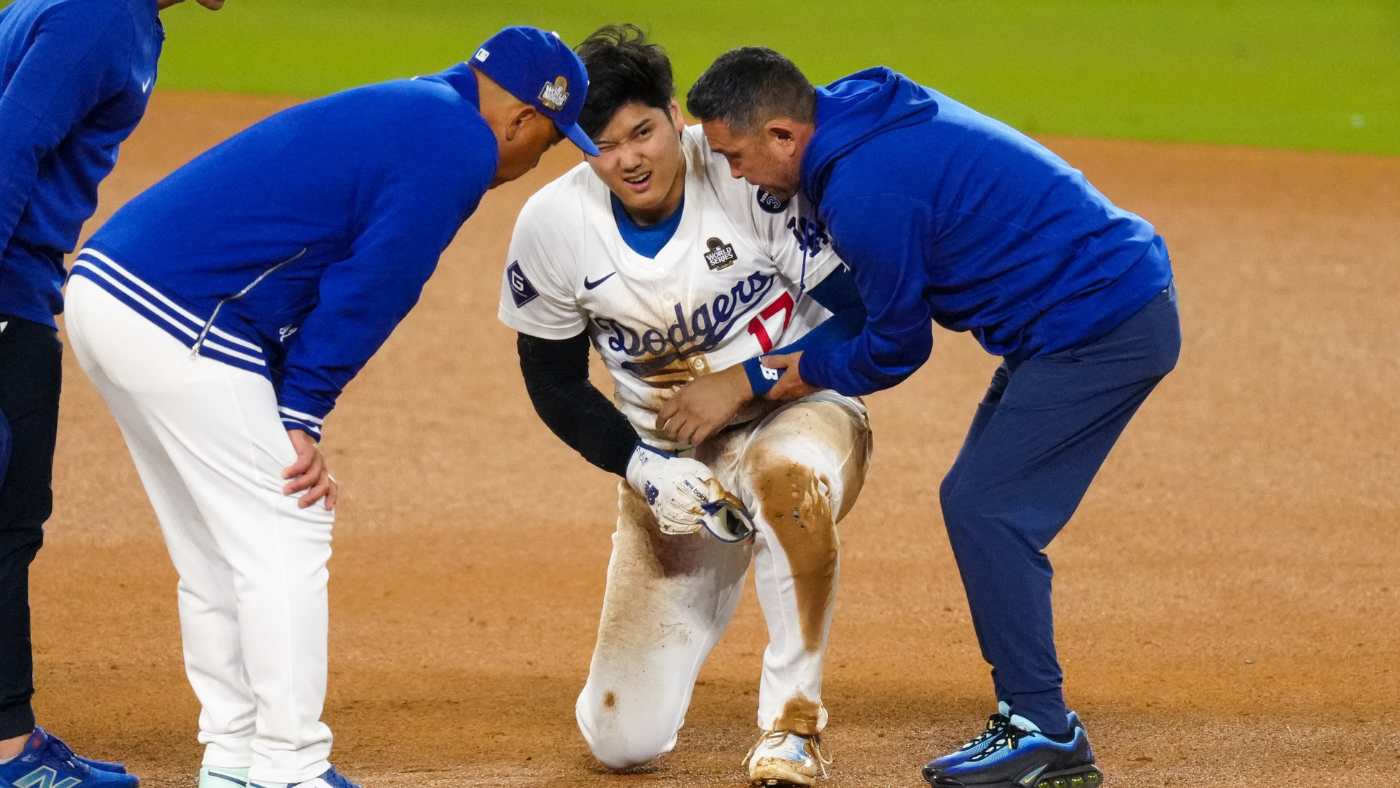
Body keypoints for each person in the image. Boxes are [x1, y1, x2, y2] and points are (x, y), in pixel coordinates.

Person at [63, 26, 597, 788]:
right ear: (521, 120)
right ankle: (287, 765)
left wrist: (288, 403)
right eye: (545, 146)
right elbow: (374, 286)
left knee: (218, 549)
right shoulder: (457, 143)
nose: (528, 164)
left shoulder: (413, 108)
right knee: (287, 525)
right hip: (180, 316)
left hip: (112, 294)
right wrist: (302, 413)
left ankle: (236, 756)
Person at [678, 48, 1181, 788]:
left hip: (1099, 323)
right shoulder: (854, 115)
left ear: (785, 135)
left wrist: (778, 378)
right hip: (1081, 310)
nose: (736, 173)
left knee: (989, 510)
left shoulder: (864, 192)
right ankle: (1033, 721)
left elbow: (897, 345)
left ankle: (1044, 730)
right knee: (979, 502)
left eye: (738, 155)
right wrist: (763, 374)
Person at [498, 25, 872, 787]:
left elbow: (863, 313)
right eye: (603, 143)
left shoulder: (742, 172)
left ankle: (792, 729)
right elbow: (555, 382)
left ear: (676, 116)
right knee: (621, 741)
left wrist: (748, 380)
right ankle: (712, 572)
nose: (630, 157)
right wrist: (643, 470)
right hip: (672, 473)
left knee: (783, 479)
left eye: (644, 131)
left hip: (803, 410)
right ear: (578, 146)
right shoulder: (553, 226)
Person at [0, 0, 221, 785]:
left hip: (19, 283)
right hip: (5, 291)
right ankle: (11, 756)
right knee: (6, 523)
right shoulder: (103, 15)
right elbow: (11, 142)